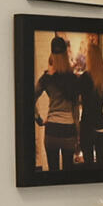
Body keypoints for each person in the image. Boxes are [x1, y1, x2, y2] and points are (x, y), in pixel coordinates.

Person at [34, 34, 88, 173]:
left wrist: (39, 119)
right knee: (68, 174)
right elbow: (75, 111)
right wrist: (78, 135)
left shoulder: (46, 78)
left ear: (52, 55)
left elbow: (29, 98)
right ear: (66, 54)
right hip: (68, 130)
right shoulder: (73, 79)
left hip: (51, 129)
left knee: (53, 174)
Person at [75, 35, 103, 170]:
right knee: (101, 166)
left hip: (86, 125)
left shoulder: (83, 79)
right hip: (100, 127)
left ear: (89, 59)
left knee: (87, 165)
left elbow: (76, 102)